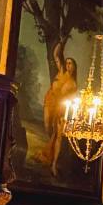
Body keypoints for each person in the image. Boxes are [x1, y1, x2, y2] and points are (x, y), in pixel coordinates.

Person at [35, 41, 78, 177]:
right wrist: (61, 42)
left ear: (74, 66)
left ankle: (53, 163)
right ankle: (50, 153)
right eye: (67, 62)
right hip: (50, 102)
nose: (68, 65)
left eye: (71, 63)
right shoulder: (61, 71)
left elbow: (71, 101)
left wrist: (64, 111)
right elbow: (56, 55)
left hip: (61, 107)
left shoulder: (73, 84)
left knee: (58, 135)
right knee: (48, 127)